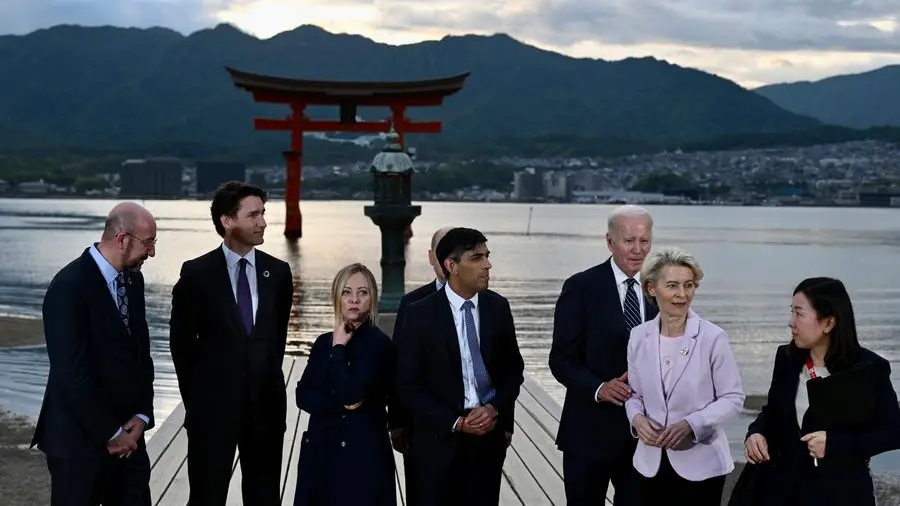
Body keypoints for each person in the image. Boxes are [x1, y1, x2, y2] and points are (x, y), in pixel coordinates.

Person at [169, 181, 294, 506]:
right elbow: (181, 347)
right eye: (253, 215)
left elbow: (275, 341)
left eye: (263, 213)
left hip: (266, 412)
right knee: (206, 498)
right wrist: (197, 402)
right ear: (227, 221)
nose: (263, 222)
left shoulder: (278, 273)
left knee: (264, 499)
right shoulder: (196, 274)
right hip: (212, 413)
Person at [32, 202, 157, 506]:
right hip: (76, 443)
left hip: (130, 440)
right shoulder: (68, 286)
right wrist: (110, 433)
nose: (152, 252)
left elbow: (142, 356)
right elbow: (70, 374)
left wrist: (143, 415)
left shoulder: (134, 281)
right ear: (122, 239)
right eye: (148, 243)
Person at [741, 277, 900, 506]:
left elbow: (893, 432)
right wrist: (755, 433)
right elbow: (773, 411)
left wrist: (835, 443)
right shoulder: (787, 358)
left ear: (828, 323)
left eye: (799, 314)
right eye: (791, 312)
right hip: (784, 490)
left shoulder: (869, 369)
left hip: (842, 494)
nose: (791, 322)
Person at [395, 227, 525, 506]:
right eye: (477, 258)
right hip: (438, 440)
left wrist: (494, 408)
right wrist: (457, 422)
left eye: (487, 256)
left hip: (487, 439)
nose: (487, 265)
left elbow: (513, 370)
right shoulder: (419, 314)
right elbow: (408, 384)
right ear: (451, 266)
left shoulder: (498, 307)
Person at [548, 204, 658, 506]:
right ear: (610, 242)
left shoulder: (660, 287)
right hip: (589, 432)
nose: (638, 249)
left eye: (644, 241)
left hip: (644, 435)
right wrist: (600, 388)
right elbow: (560, 360)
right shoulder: (581, 287)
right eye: (629, 241)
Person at [625, 247, 745, 506]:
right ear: (651, 288)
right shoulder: (638, 336)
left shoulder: (713, 338)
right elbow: (635, 395)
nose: (682, 294)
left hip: (702, 466)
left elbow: (733, 398)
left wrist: (692, 424)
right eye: (672, 285)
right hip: (649, 464)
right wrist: (636, 419)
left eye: (689, 285)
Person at [293, 263, 397, 506]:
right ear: (337, 297)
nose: (354, 299)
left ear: (372, 298)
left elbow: (351, 393)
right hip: (320, 451)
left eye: (363, 292)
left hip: (361, 457)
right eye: (346, 292)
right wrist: (337, 405)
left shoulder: (379, 344)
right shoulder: (323, 343)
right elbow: (302, 394)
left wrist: (339, 348)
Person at [388, 225, 453, 505]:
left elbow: (502, 365)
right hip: (422, 427)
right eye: (441, 251)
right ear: (430, 257)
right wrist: (397, 422)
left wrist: (506, 424)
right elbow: (400, 366)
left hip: (476, 429)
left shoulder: (490, 304)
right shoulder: (412, 303)